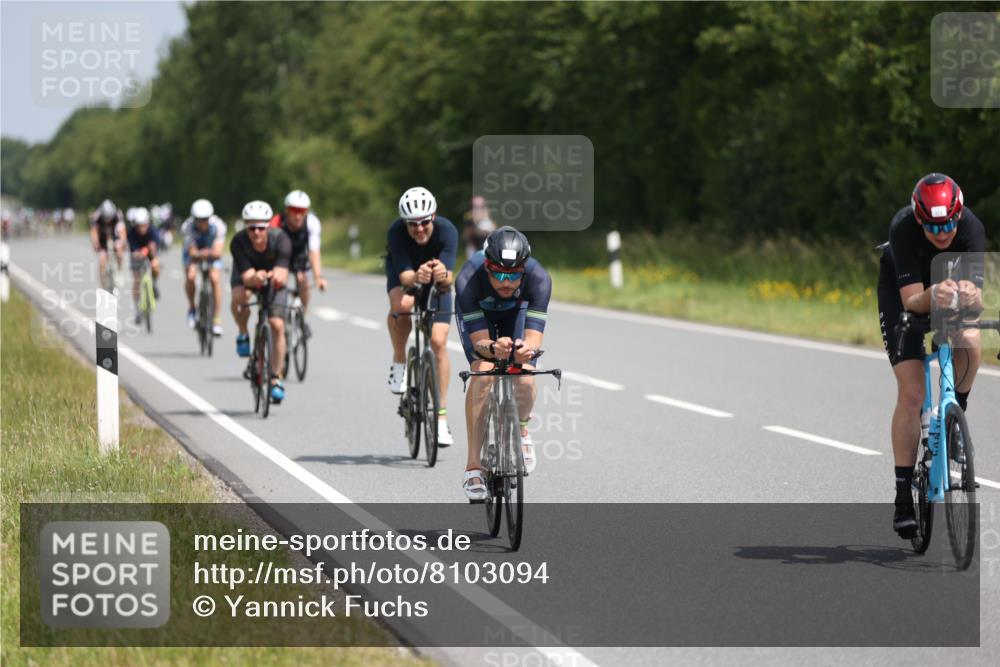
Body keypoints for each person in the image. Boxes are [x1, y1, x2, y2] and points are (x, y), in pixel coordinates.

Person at [876, 173, 986, 538]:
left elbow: (977, 304)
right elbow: (912, 301)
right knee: (912, 393)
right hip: (905, 296)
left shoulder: (971, 229)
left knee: (969, 338)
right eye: (934, 227)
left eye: (949, 224)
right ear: (919, 219)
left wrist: (971, 295)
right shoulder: (903, 228)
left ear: (959, 214)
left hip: (945, 294)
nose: (943, 233)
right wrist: (933, 293)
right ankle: (902, 496)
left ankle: (955, 421)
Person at [454, 226, 552, 501]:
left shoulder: (539, 278)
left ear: (524, 270)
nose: (506, 282)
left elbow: (533, 341)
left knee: (525, 372)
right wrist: (493, 348)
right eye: (498, 274)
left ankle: (521, 428)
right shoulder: (467, 279)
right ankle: (473, 467)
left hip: (515, 313)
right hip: (480, 315)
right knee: (483, 371)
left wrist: (525, 350)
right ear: (487, 267)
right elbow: (480, 344)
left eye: (514, 275)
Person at [385, 186, 458, 445]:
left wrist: (441, 274)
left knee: (438, 341)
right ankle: (399, 361)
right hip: (406, 274)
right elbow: (405, 277)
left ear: (433, 217)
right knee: (402, 306)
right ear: (404, 223)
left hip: (437, 282)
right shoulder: (396, 232)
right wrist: (417, 276)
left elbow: (449, 279)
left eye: (424, 222)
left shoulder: (447, 231)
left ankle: (441, 419)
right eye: (412, 224)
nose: (419, 229)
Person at [230, 200, 291, 403]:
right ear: (246, 227)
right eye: (252, 228)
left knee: (277, 324)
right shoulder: (238, 242)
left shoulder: (281, 239)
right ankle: (243, 332)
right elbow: (247, 277)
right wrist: (255, 277)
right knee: (240, 298)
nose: (256, 232)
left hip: (273, 277)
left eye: (261, 228)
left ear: (268, 227)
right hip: (248, 273)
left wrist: (275, 276)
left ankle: (276, 377)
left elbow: (283, 273)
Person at [269, 189, 327, 337]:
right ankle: (278, 315)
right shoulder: (276, 222)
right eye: (294, 210)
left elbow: (314, 251)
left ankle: (303, 318)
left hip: (299, 257)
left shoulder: (312, 223)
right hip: (279, 257)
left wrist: (318, 277)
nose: (298, 215)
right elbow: (269, 250)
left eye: (302, 211)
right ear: (286, 210)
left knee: (304, 283)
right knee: (278, 283)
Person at [181, 198, 227, 335]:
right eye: (199, 220)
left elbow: (218, 252)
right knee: (191, 276)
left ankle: (216, 318)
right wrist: (200, 254)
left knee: (215, 279)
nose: (202, 223)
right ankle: (192, 308)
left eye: (205, 219)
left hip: (212, 253)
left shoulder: (219, 225)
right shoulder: (187, 227)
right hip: (195, 254)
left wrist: (209, 253)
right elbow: (191, 251)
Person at [125, 207, 162, 321]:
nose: (141, 228)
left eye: (144, 225)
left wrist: (151, 251)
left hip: (150, 253)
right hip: (137, 255)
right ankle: (137, 308)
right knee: (136, 280)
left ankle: (154, 283)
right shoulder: (131, 233)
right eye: (139, 225)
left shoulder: (153, 231)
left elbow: (156, 245)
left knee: (155, 265)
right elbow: (133, 250)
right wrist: (140, 252)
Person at [89, 199, 126, 288]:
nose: (108, 220)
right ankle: (103, 284)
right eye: (105, 218)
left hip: (114, 235)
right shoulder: (97, 216)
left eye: (109, 218)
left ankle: (119, 270)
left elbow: (122, 231)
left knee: (120, 252)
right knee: (102, 261)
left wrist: (122, 242)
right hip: (102, 237)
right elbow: (94, 232)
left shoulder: (118, 215)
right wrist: (95, 243)